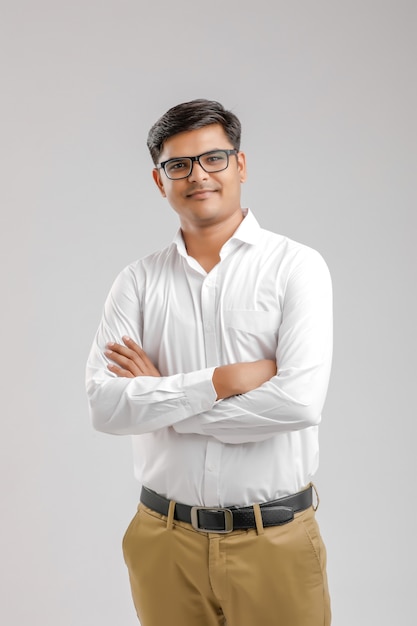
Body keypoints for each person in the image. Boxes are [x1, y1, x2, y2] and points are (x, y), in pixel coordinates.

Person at [85, 98, 333, 626]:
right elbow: (107, 407)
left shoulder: (297, 268)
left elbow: (298, 404)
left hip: (275, 543)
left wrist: (163, 401)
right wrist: (224, 380)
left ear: (240, 165)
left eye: (213, 158)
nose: (198, 175)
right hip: (162, 541)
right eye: (179, 165)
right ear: (160, 181)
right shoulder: (137, 282)